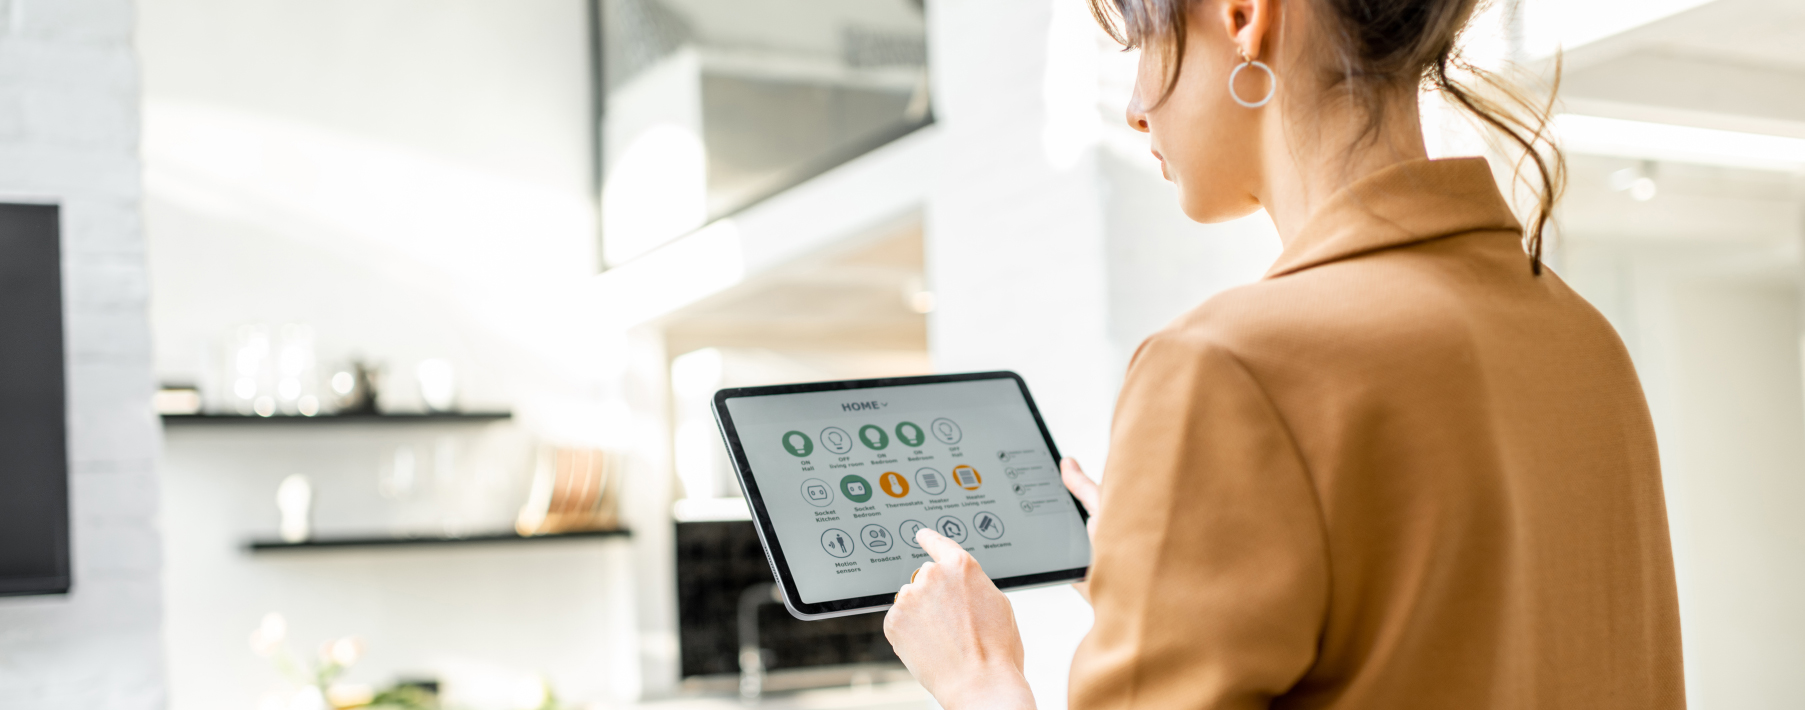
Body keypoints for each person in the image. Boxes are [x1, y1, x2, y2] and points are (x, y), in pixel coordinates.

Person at [881, 0, 1685, 707]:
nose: (1132, 106)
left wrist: (981, 680)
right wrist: (1162, 587)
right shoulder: (1581, 338)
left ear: (1241, 16)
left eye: (1139, 45)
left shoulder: (1226, 364)